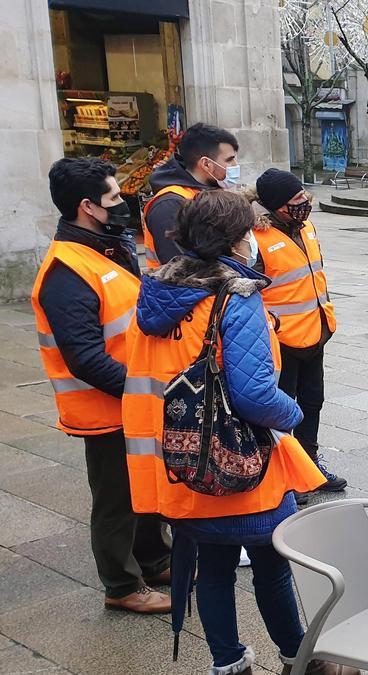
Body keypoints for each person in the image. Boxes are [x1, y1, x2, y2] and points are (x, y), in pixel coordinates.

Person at [122, 190, 350, 675]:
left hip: (182, 462)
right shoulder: (236, 296)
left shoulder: (155, 293)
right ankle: (302, 658)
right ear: (236, 238)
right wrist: (292, 415)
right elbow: (254, 395)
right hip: (243, 464)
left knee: (215, 570)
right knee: (271, 570)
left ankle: (229, 663)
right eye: (249, 229)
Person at [32, 158, 172, 614]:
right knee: (116, 500)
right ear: (88, 207)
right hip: (107, 407)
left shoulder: (104, 249)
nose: (123, 205)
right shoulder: (66, 271)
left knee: (144, 484)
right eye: (114, 198)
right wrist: (141, 389)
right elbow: (85, 358)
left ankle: (154, 558)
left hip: (133, 399)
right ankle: (121, 584)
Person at [252, 168, 346, 494]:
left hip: (316, 332)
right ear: (277, 206)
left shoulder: (305, 227)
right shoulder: (256, 240)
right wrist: (272, 324)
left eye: (303, 196)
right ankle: (286, 475)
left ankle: (310, 463)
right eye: (296, 200)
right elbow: (247, 292)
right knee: (283, 408)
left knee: (312, 401)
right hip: (281, 342)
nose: (304, 203)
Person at [142, 123, 240, 268]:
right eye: (229, 160)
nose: (235, 165)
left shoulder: (209, 191)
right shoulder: (170, 204)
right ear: (206, 164)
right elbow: (180, 269)